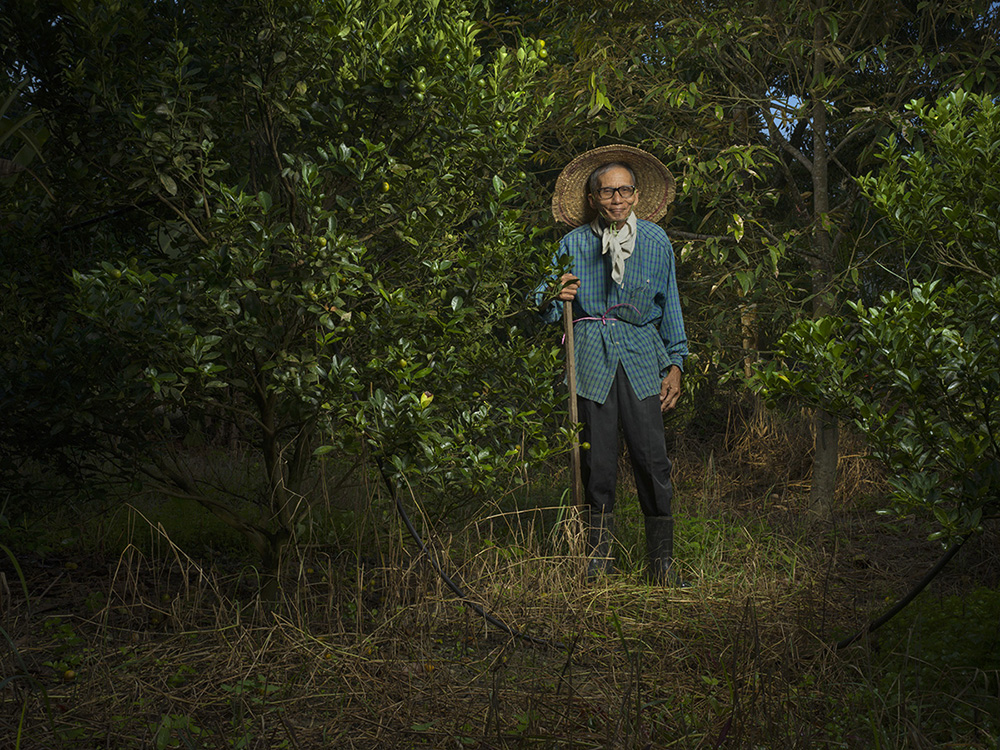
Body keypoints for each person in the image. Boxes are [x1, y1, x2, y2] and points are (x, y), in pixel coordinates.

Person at [540, 145, 688, 583]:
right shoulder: (572, 243)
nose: (617, 199)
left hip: (643, 354)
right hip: (589, 357)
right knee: (598, 462)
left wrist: (676, 364)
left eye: (625, 190)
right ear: (593, 199)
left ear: (638, 195)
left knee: (651, 459)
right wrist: (556, 296)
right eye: (607, 192)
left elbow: (671, 308)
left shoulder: (657, 242)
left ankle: (662, 567)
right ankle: (598, 564)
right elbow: (542, 304)